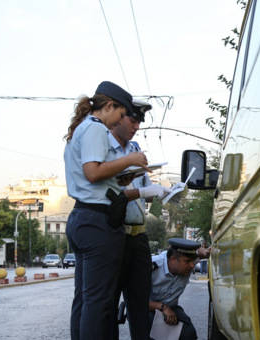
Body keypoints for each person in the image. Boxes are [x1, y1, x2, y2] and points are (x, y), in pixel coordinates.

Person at [64, 81, 152, 340]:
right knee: (99, 302)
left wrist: (120, 178)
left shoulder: (81, 129)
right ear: (110, 106)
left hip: (82, 217)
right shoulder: (94, 129)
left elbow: (92, 175)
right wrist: (130, 159)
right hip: (97, 222)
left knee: (84, 298)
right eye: (123, 115)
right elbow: (92, 173)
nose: (121, 121)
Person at [108, 99, 171, 340]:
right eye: (132, 120)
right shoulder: (105, 150)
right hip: (116, 235)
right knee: (109, 302)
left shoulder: (135, 149)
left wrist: (165, 193)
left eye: (139, 122)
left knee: (140, 300)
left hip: (139, 235)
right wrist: (146, 192)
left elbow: (145, 190)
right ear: (118, 117)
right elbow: (110, 193)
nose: (136, 126)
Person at [148, 238, 210, 340]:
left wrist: (207, 251)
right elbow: (135, 302)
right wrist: (162, 307)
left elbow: (202, 252)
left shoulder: (186, 260)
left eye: (193, 261)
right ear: (173, 260)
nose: (192, 265)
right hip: (148, 309)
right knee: (150, 331)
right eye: (187, 262)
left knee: (189, 334)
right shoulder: (151, 267)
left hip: (172, 308)